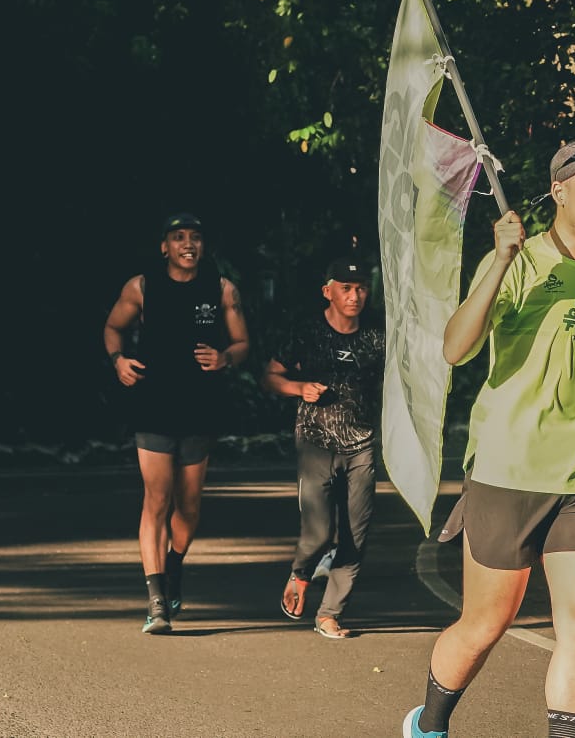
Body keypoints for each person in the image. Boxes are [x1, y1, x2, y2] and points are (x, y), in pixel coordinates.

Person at [402, 137, 575, 738]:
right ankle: (429, 723)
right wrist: (501, 260)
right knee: (486, 623)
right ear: (559, 192)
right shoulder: (520, 261)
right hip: (508, 471)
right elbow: (456, 347)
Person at [103, 212, 250, 635]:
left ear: (203, 245)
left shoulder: (221, 289)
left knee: (188, 506)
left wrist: (224, 357)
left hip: (199, 407)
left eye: (196, 237)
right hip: (153, 405)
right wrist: (118, 360)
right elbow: (112, 327)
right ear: (164, 247)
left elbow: (242, 343)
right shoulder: (142, 286)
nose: (188, 244)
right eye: (179, 237)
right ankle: (156, 601)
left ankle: (174, 564)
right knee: (157, 499)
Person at [264, 255, 385, 639]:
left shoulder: (377, 335)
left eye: (361, 288)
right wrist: (298, 387)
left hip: (361, 445)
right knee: (318, 533)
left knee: (355, 535)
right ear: (327, 291)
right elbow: (271, 375)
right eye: (346, 288)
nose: (355, 296)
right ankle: (301, 573)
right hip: (315, 441)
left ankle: (330, 613)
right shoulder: (307, 331)